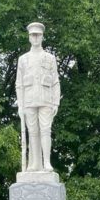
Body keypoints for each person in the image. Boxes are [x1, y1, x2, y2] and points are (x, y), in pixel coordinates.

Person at [16, 22, 60, 172]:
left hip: (46, 100)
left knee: (46, 130)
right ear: (29, 37)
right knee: (33, 132)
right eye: (33, 35)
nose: (35, 38)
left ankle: (46, 162)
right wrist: (20, 105)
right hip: (29, 101)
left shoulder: (50, 58)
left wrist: (56, 103)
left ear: (42, 37)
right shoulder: (23, 59)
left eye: (38, 35)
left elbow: (55, 81)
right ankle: (35, 163)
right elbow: (19, 84)